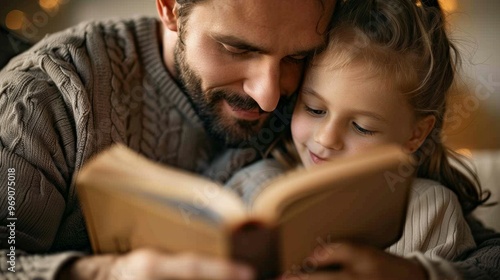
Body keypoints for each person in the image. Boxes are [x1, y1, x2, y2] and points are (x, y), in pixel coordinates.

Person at [0, 0, 498, 279]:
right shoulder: (43, 97)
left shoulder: (319, 87)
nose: (268, 96)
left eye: (297, 57)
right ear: (171, 8)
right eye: (236, 48)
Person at [225, 0, 500, 279]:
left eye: (362, 127)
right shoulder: (254, 186)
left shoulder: (432, 209)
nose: (327, 138)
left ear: (415, 135)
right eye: (314, 109)